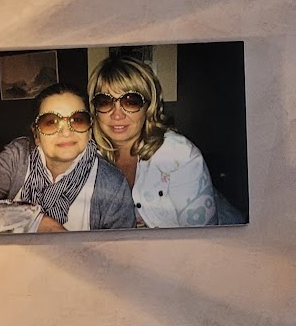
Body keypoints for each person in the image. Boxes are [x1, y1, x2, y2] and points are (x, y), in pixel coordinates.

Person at [0, 85, 136, 232]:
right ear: (36, 135)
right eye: (50, 122)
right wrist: (33, 220)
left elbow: (122, 250)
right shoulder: (18, 157)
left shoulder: (112, 184)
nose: (66, 132)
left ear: (90, 130)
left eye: (78, 120)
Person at [88, 53, 217, 228]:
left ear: (149, 106)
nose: (117, 114)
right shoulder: (85, 158)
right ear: (95, 109)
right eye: (104, 101)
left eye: (131, 101)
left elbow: (202, 237)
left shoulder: (180, 155)